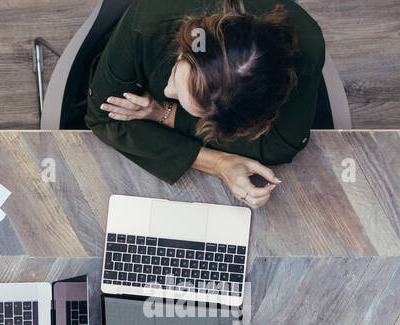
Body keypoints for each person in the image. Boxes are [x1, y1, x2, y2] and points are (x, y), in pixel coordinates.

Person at [80, 0, 325, 207]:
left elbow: (279, 146)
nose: (167, 91)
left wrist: (162, 113)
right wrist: (218, 162)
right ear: (189, 44)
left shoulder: (307, 46)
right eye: (177, 73)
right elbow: (102, 116)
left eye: (201, 112)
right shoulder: (149, 19)